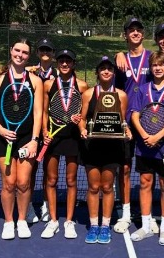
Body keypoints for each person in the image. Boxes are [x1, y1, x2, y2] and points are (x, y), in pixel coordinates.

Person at [0, 38, 44, 240]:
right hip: (3, 137)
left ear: (29, 56)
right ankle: (9, 222)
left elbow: (38, 113)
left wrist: (35, 139)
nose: (20, 55)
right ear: (11, 51)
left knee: (24, 182)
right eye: (17, 50)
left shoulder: (35, 81)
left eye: (25, 52)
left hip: (27, 138)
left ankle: (22, 220)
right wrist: (1, 130)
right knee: (9, 183)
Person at [129, 51, 164, 246]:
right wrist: (145, 136)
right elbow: (135, 115)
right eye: (154, 65)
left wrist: (158, 137)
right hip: (144, 146)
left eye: (161, 65)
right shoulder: (142, 90)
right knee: (145, 183)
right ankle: (145, 226)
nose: (158, 68)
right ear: (150, 68)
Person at [79, 56, 130, 244]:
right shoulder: (88, 94)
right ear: (97, 72)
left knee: (107, 187)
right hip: (92, 146)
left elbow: (122, 120)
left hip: (113, 146)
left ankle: (105, 225)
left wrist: (127, 130)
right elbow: (82, 118)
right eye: (103, 68)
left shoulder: (122, 95)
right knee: (93, 186)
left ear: (113, 72)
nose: (106, 71)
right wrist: (82, 130)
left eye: (109, 68)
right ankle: (93, 225)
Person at [113, 17, 155, 235]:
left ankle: (148, 214)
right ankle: (126, 213)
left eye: (139, 29)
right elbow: (114, 91)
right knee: (126, 168)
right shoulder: (120, 61)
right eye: (131, 30)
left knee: (148, 170)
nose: (135, 33)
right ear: (126, 35)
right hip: (127, 122)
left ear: (143, 34)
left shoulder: (153, 58)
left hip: (151, 121)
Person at [40, 49, 88, 239]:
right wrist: (44, 131)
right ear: (57, 63)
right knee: (51, 180)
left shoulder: (82, 86)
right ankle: (53, 221)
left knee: (71, 180)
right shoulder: (48, 84)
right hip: (53, 136)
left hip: (72, 138)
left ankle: (68, 221)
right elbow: (43, 111)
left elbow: (85, 114)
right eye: (62, 61)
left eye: (68, 61)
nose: (65, 64)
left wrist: (80, 119)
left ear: (74, 63)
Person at [26, 38, 58, 224]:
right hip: (31, 127)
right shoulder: (29, 72)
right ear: (37, 53)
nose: (45, 53)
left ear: (53, 54)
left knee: (49, 170)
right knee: (31, 169)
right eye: (42, 49)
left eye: (49, 50)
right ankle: (29, 205)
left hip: (53, 129)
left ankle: (46, 203)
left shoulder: (60, 74)